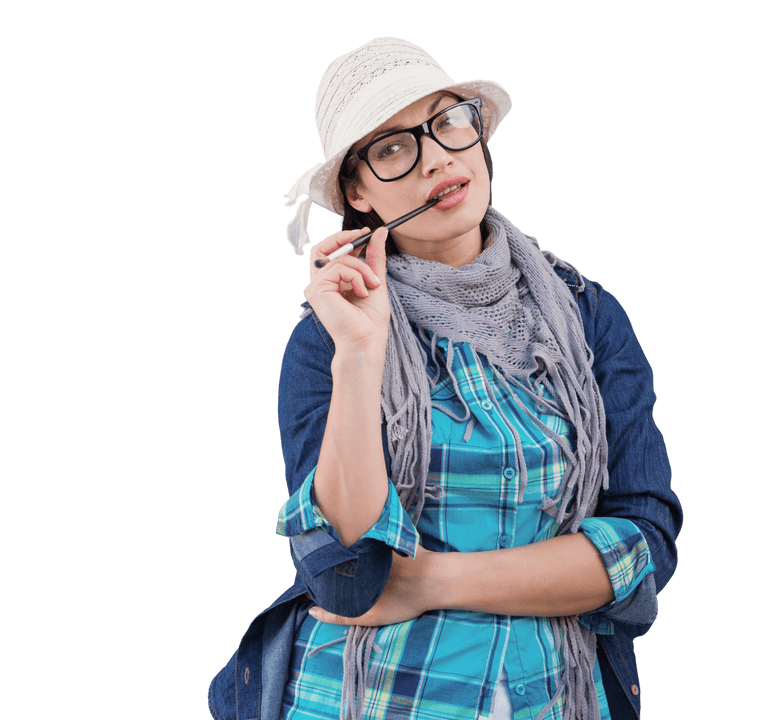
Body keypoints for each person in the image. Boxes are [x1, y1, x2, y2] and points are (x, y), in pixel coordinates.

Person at [207, 38, 682, 720]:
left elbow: (646, 546)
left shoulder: (587, 316)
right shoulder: (327, 337)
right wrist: (363, 350)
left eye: (447, 120)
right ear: (357, 192)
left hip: (552, 698)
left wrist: (429, 579)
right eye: (393, 147)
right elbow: (347, 579)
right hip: (369, 698)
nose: (435, 155)